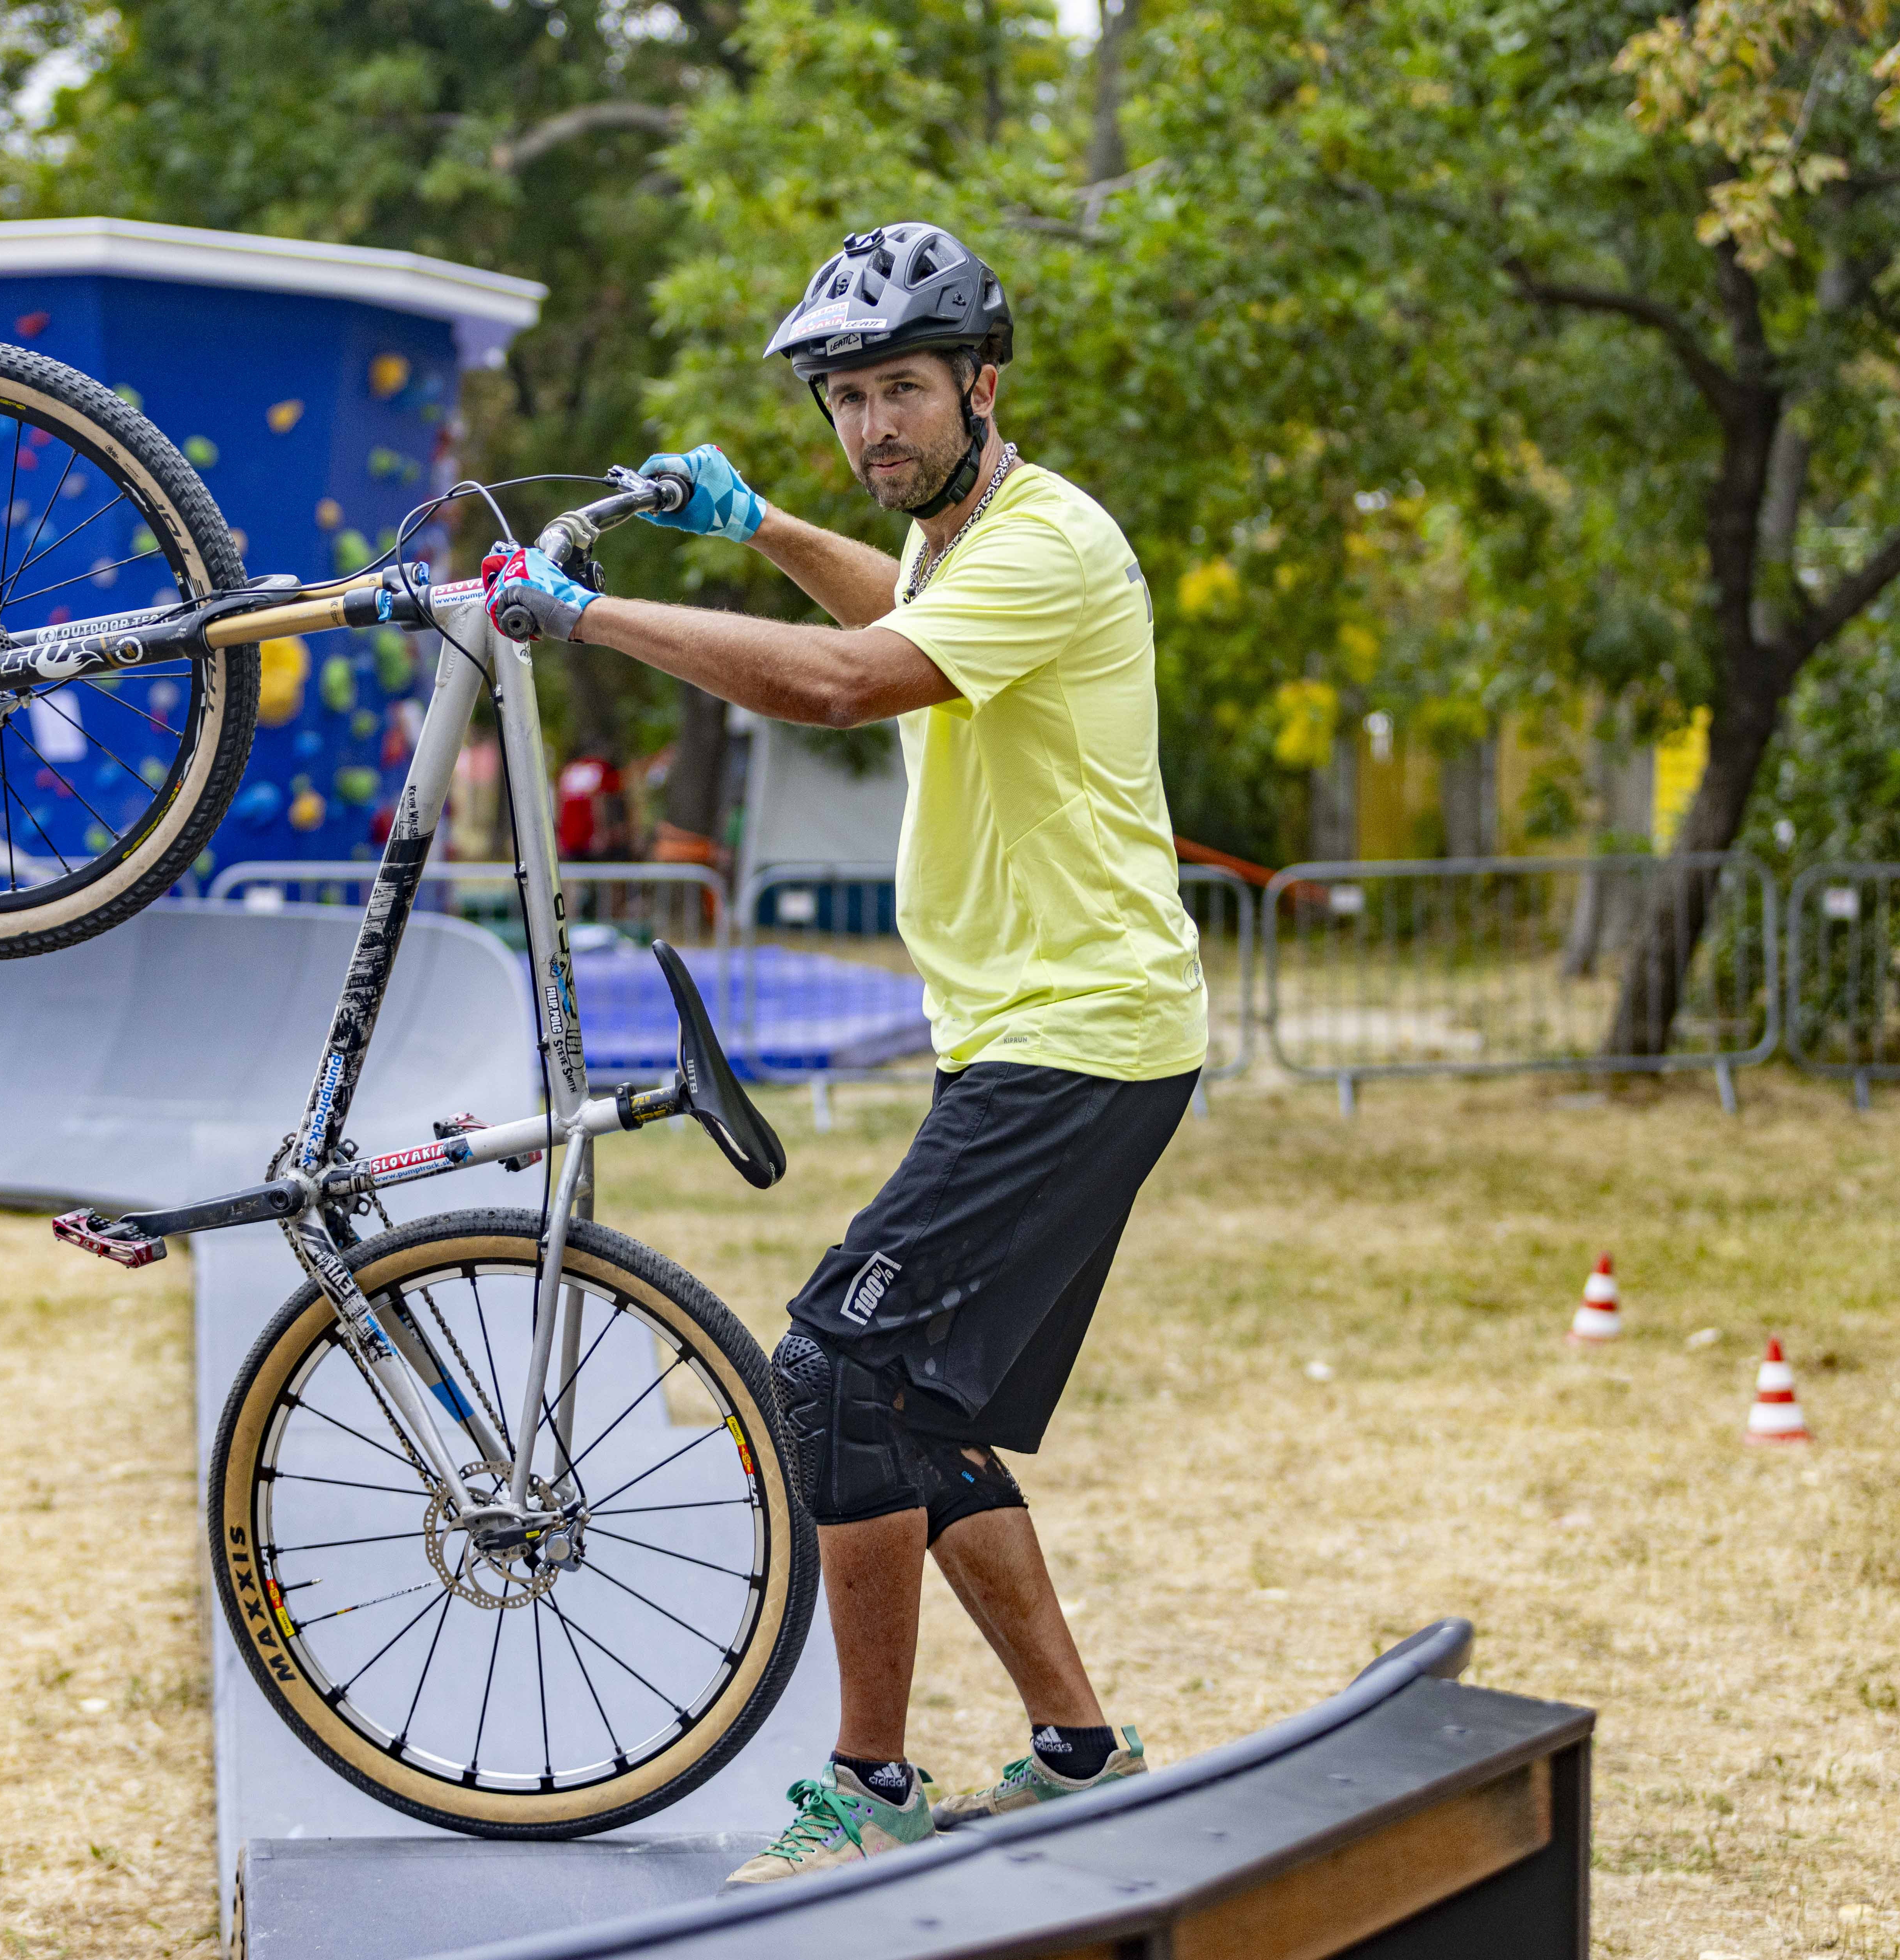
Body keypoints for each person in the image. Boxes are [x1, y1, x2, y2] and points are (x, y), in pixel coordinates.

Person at [478, 223, 1208, 1886]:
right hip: (1043, 1034)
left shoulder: (1049, 538)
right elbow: (895, 602)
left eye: (898, 391)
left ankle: (867, 1779)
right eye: (843, 401)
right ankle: (1080, 1752)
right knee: (914, 1402)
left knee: (828, 1368)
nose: (871, 427)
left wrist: (587, 614)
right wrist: (763, 527)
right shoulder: (973, 546)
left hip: (1075, 1037)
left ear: (979, 386)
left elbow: (840, 679)